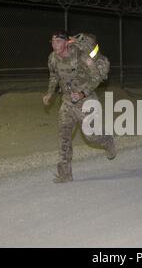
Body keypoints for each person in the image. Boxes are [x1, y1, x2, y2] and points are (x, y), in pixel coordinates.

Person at [42, 31, 116, 184]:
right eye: (52, 42)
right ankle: (65, 174)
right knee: (64, 137)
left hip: (86, 101)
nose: (54, 45)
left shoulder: (80, 56)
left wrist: (83, 93)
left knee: (91, 135)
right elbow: (54, 76)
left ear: (66, 42)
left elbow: (97, 77)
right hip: (68, 102)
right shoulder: (52, 58)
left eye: (58, 42)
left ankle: (107, 140)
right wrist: (50, 93)